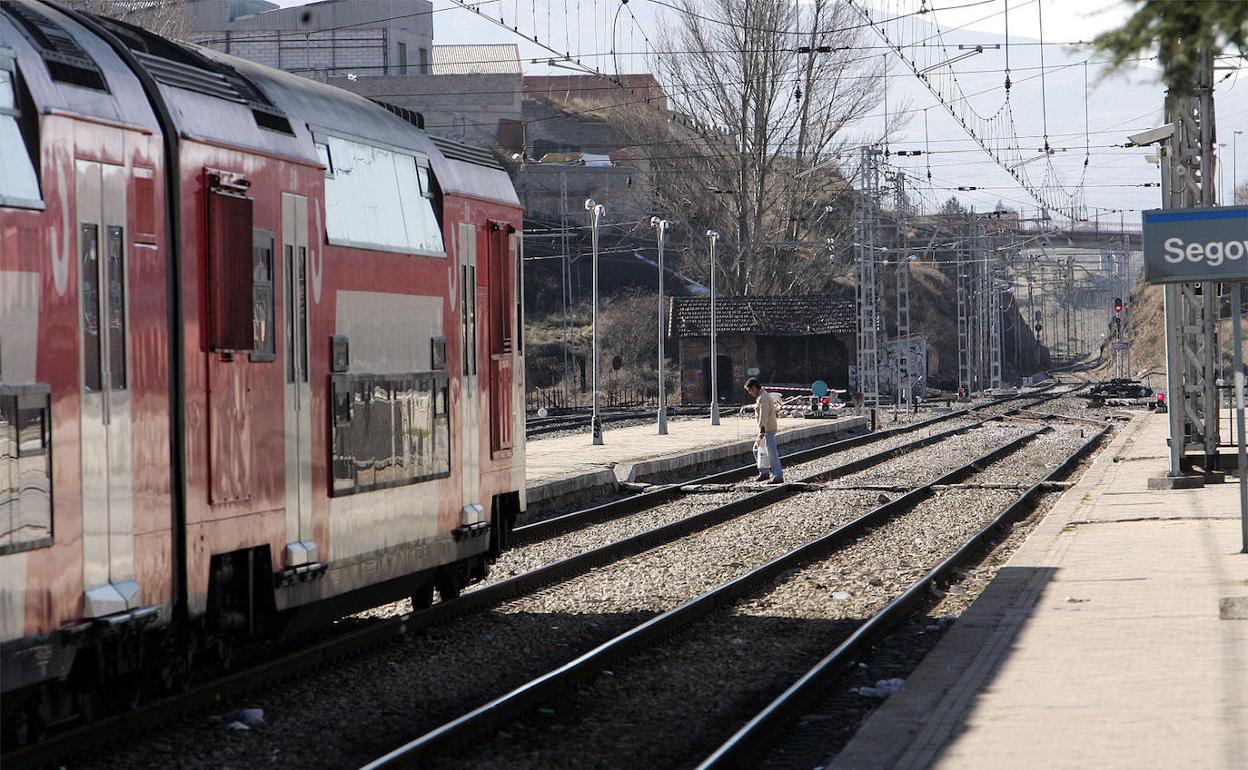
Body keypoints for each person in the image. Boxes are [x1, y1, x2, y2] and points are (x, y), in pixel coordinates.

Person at [746, 377, 784, 484]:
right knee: (757, 449)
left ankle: (778, 476)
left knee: (772, 453)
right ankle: (764, 472)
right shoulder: (761, 396)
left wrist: (762, 431)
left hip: (767, 429)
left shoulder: (763, 397)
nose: (749, 393)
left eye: (749, 390)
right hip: (765, 429)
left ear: (754, 388)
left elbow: (763, 415)